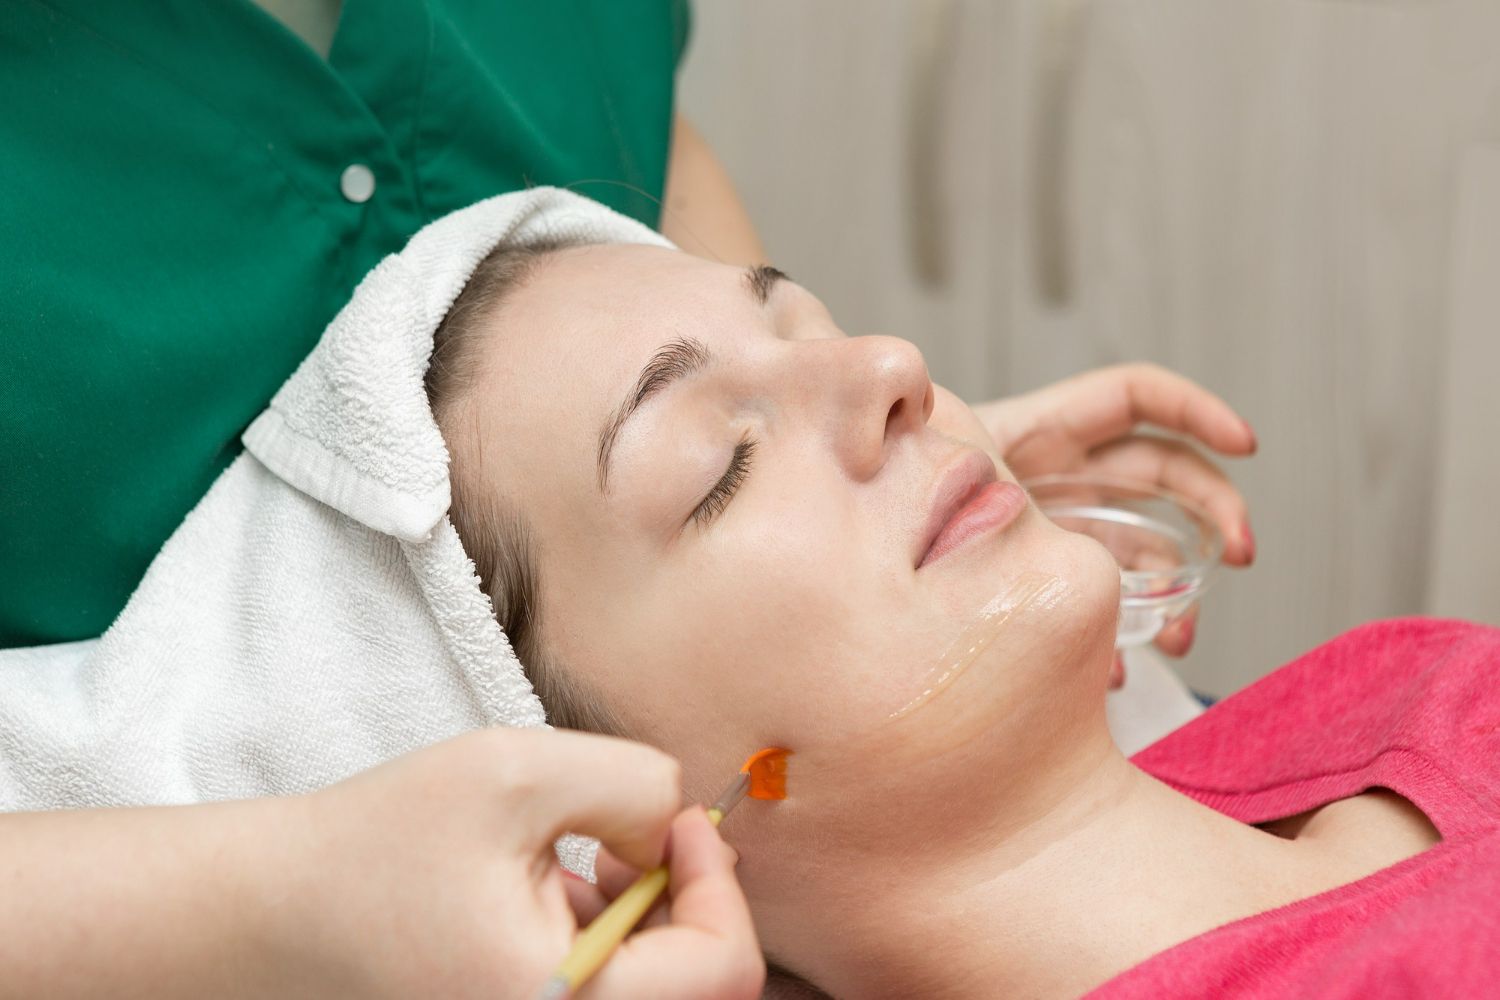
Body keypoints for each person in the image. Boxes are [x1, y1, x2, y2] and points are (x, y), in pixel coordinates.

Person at [419, 234, 1500, 997]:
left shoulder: (1405, 684)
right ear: (633, 829)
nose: (893, 366)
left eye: (814, 325)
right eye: (721, 469)